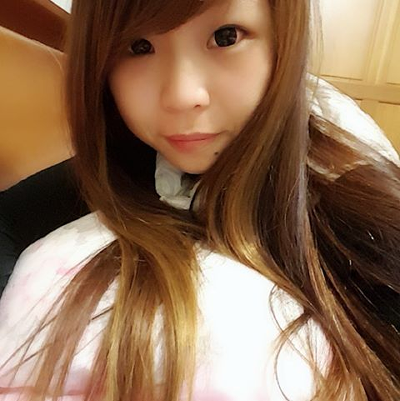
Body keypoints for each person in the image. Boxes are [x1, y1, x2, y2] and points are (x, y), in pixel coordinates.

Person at [0, 0, 399, 400]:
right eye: (138, 47)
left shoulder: (359, 204)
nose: (181, 95)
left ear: (284, 41)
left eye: (226, 37)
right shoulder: (114, 162)